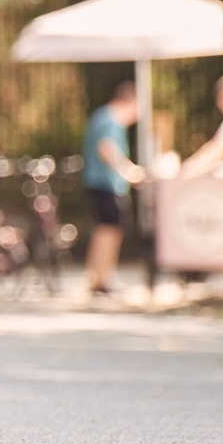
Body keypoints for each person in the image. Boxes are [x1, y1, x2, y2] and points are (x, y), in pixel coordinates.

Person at [81, 81, 146, 296]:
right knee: (110, 230)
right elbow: (106, 149)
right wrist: (128, 171)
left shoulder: (102, 115)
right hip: (106, 183)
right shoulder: (111, 118)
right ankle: (102, 279)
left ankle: (98, 277)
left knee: (104, 229)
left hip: (100, 183)